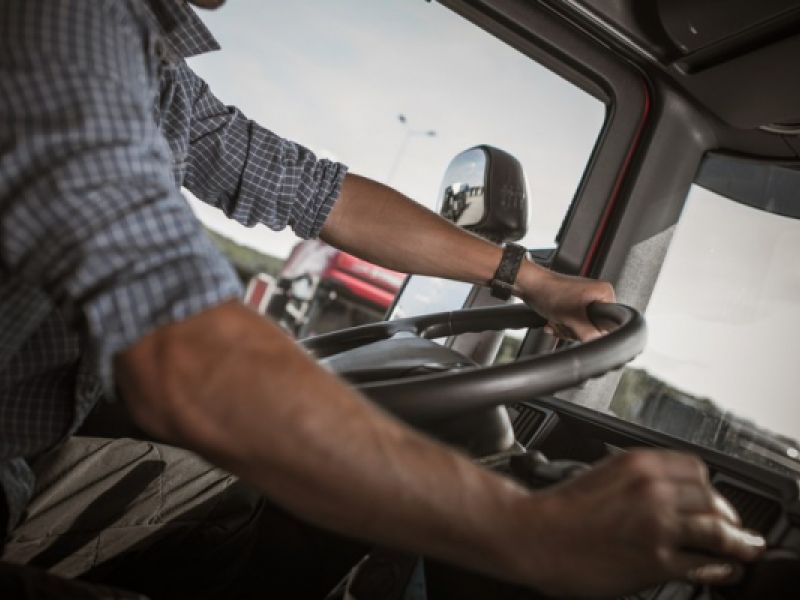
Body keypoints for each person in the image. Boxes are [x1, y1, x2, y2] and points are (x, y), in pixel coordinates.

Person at [0, 0, 765, 598]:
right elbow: (187, 358)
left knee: (247, 500)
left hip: (32, 462)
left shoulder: (149, 70)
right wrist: (531, 528)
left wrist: (527, 278)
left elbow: (309, 188)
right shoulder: (63, 25)